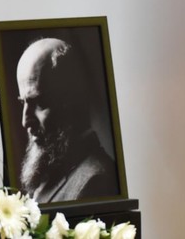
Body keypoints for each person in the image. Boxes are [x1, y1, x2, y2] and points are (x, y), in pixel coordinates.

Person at [16, 37, 119, 203]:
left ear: (72, 100)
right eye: (23, 103)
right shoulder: (49, 174)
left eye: (40, 102)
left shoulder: (95, 182)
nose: (25, 121)